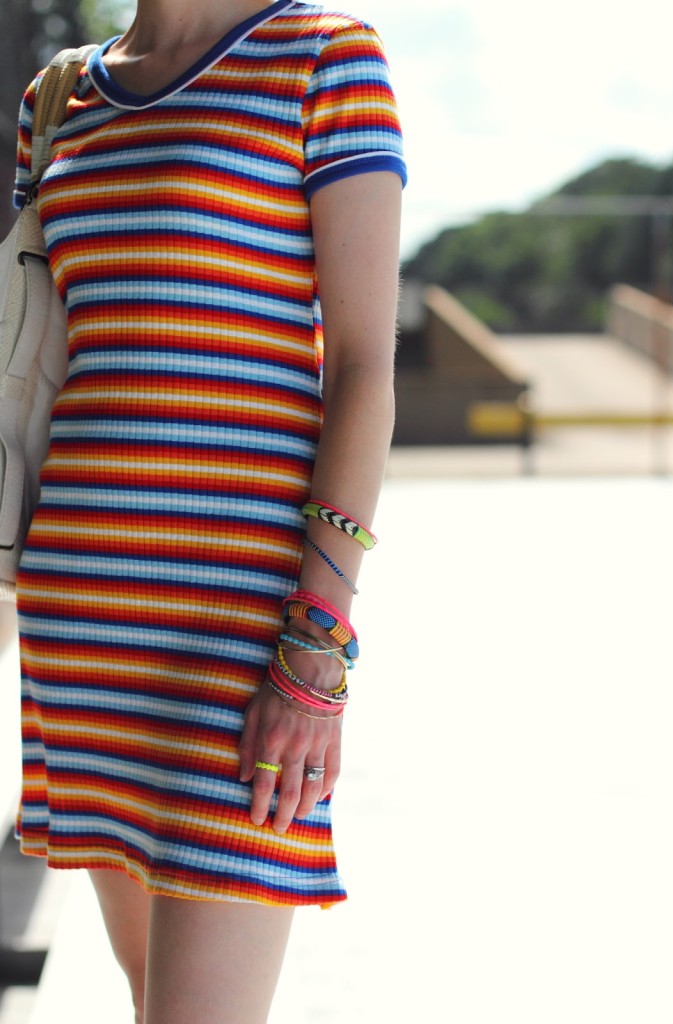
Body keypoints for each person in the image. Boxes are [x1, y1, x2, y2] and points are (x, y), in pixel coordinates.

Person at [13, 1, 405, 1021]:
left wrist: (317, 644)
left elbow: (364, 368)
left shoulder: (324, 57)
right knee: (156, 1003)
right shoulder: (58, 95)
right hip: (79, 613)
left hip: (237, 631)